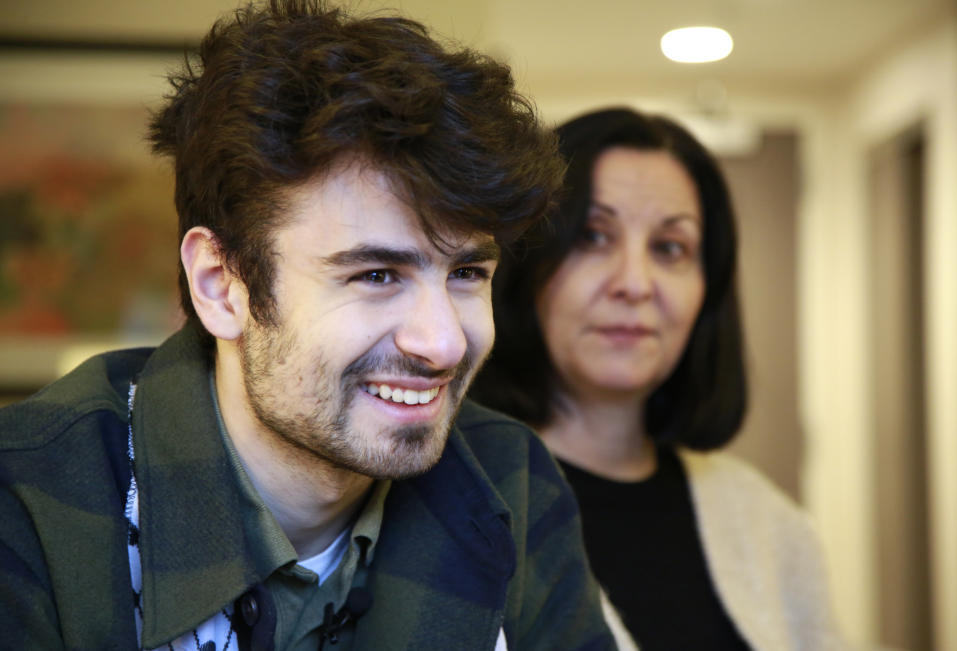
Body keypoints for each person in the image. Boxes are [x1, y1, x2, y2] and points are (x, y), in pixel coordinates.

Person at [0, 3, 616, 649]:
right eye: (377, 274)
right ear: (221, 285)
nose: (444, 343)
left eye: (466, 274)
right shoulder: (31, 499)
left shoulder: (509, 477)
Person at [471, 107, 844, 650]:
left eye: (670, 248)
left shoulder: (767, 522)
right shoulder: (458, 498)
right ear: (527, 264)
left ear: (706, 293)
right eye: (593, 237)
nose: (635, 284)